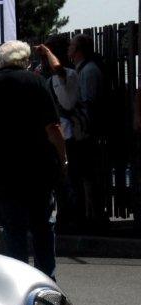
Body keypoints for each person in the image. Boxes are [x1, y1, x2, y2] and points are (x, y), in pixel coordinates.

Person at [0, 41, 66, 279]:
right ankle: (47, 278)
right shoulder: (37, 83)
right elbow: (53, 129)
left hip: (2, 171)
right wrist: (63, 160)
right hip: (38, 168)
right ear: (25, 60)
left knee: (13, 228)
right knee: (42, 225)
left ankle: (19, 280)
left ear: (0, 62)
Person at [37, 36, 80, 232]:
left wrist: (47, 52)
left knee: (70, 180)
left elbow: (58, 69)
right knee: (58, 181)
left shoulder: (68, 74)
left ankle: (72, 218)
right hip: (56, 135)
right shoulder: (48, 78)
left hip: (70, 135)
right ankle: (63, 216)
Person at [68, 33, 108, 227]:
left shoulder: (89, 71)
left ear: (78, 49)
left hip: (86, 132)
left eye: (72, 46)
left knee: (88, 176)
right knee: (82, 176)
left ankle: (94, 217)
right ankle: (87, 215)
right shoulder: (80, 69)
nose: (69, 49)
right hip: (80, 130)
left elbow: (89, 102)